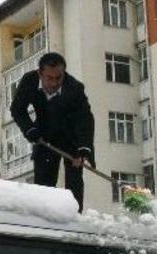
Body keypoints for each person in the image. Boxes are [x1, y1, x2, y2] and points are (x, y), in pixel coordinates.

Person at [10, 52, 94, 212]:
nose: (54, 83)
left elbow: (85, 119)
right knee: (43, 183)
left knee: (74, 182)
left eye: (58, 78)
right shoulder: (30, 81)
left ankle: (74, 217)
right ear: (40, 73)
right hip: (44, 135)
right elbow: (17, 109)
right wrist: (30, 129)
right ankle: (43, 219)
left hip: (71, 137)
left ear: (64, 74)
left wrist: (84, 148)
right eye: (49, 78)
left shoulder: (75, 89)